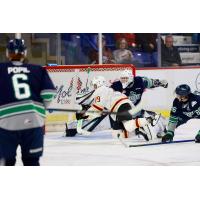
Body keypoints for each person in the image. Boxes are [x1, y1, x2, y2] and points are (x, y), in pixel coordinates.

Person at [0, 38, 56, 166]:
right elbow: (48, 94)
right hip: (33, 122)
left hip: (5, 123)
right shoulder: (37, 69)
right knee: (32, 162)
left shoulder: (1, 69)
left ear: (8, 53)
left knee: (6, 162)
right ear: (24, 53)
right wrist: (40, 110)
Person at [65, 76, 154, 140]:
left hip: (121, 106)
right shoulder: (105, 91)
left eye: (95, 85)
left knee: (127, 125)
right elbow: (99, 108)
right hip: (119, 108)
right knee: (117, 134)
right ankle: (138, 130)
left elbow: (97, 107)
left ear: (99, 83)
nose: (94, 87)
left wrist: (85, 113)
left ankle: (147, 121)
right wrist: (86, 111)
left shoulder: (101, 89)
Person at [110, 69, 168, 138]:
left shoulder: (139, 81)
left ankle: (161, 130)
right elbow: (107, 95)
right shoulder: (117, 85)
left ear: (131, 78)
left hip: (137, 111)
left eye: (126, 78)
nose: (124, 80)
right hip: (123, 114)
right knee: (118, 134)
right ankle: (138, 130)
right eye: (122, 78)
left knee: (156, 118)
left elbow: (151, 82)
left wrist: (160, 83)